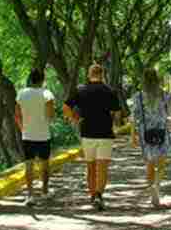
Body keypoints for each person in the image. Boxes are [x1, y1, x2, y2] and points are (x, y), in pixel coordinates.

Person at [63, 62, 122, 210]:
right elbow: (117, 112)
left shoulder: (81, 90)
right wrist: (114, 124)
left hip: (87, 133)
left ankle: (92, 194)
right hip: (105, 134)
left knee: (90, 167)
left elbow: (65, 107)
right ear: (102, 75)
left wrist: (76, 119)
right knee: (102, 167)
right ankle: (99, 196)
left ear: (89, 75)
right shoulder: (110, 91)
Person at [130, 67, 171, 208]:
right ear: (157, 79)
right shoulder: (165, 95)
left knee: (149, 162)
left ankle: (152, 191)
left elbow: (134, 118)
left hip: (146, 132)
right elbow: (168, 113)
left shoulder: (137, 96)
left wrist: (133, 135)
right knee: (161, 163)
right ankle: (157, 185)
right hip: (161, 130)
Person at [14, 68, 56, 205]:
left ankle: (30, 195)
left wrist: (22, 128)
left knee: (28, 165)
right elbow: (50, 115)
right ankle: (44, 191)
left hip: (27, 135)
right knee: (45, 164)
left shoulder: (21, 94)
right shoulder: (47, 94)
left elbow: (17, 115)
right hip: (43, 135)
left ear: (30, 79)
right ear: (42, 80)